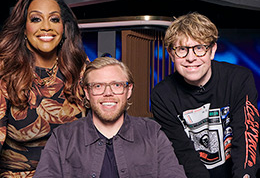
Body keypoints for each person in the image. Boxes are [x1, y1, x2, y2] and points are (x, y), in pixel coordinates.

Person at [0, 0, 88, 177]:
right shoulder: (2, 65)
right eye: (36, 19)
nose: (46, 27)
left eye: (54, 19)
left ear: (63, 27)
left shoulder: (79, 65)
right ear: (23, 28)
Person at [34, 57, 186, 178]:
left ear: (128, 90)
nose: (108, 93)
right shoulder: (63, 138)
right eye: (98, 86)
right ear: (87, 92)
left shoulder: (152, 134)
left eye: (117, 85)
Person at [151, 12, 259, 178]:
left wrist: (245, 175)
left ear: (212, 50)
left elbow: (246, 135)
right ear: (171, 54)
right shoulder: (162, 95)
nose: (191, 58)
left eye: (199, 48)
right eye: (181, 49)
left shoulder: (239, 79)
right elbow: (183, 153)